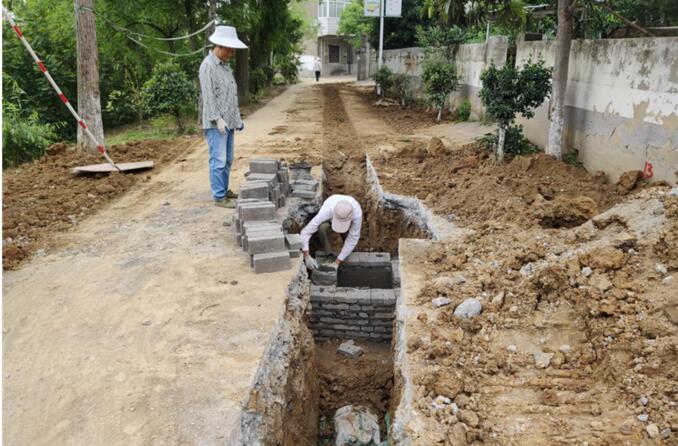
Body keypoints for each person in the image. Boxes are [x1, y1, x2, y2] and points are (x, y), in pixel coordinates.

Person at [199, 26, 247, 208]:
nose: (232, 53)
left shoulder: (225, 66)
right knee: (218, 160)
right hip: (215, 124)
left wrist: (236, 119)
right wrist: (216, 118)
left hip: (229, 122)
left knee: (227, 159)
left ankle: (224, 189)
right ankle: (219, 197)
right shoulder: (207, 66)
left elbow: (230, 95)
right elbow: (208, 96)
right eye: (230, 50)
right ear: (219, 46)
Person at [300, 195, 362, 270]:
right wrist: (307, 256)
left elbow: (353, 237)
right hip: (330, 217)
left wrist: (337, 262)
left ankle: (348, 253)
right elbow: (305, 232)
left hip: (348, 223)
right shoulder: (327, 210)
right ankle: (328, 254)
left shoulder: (357, 214)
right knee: (322, 228)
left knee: (349, 238)